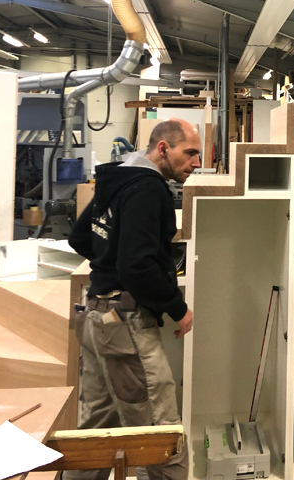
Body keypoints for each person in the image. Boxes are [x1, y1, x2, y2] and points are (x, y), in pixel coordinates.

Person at [66, 119, 201, 480]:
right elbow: (137, 266)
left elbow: (80, 237)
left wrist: (108, 262)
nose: (196, 162)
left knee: (97, 428)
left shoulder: (116, 178)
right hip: (125, 326)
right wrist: (178, 308)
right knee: (160, 435)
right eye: (190, 152)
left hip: (94, 317)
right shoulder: (149, 188)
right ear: (163, 149)